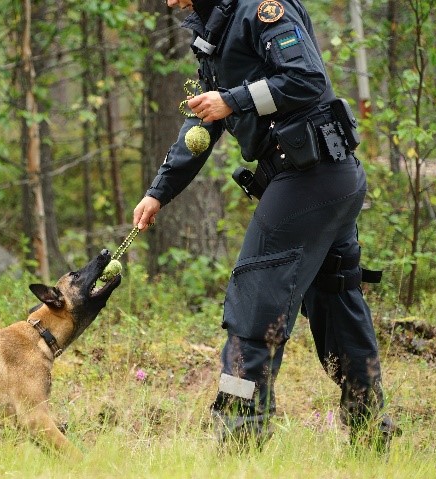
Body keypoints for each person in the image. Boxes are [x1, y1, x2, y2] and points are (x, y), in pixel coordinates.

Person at [132, 0, 399, 449]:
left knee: (253, 307)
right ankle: (371, 433)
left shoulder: (261, 10)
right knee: (337, 301)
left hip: (313, 179)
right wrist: (160, 191)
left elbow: (305, 79)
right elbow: (205, 118)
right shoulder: (213, 27)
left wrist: (231, 99)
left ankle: (240, 437)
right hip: (319, 179)